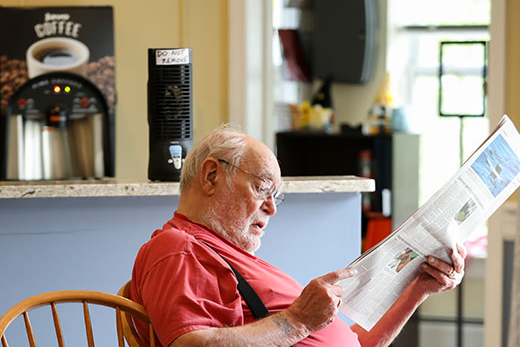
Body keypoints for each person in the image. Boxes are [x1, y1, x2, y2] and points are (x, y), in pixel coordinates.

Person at [130, 126, 466, 347]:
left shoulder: (229, 257)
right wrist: (297, 320)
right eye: (263, 188)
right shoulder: (179, 247)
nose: (271, 209)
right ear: (212, 176)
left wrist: (418, 287)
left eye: (276, 197)